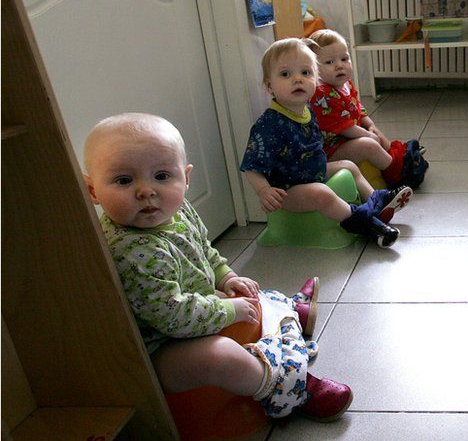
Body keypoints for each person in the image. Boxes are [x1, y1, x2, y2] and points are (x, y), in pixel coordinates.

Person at [84, 113, 351, 421]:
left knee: (247, 290)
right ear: (92, 191)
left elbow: (203, 249)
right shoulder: (134, 251)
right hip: (161, 348)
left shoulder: (177, 209)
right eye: (124, 180)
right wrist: (229, 310)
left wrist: (226, 277)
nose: (146, 191)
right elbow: (173, 318)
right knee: (221, 356)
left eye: (161, 176)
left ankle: (286, 312)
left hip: (189, 310)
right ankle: (292, 388)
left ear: (185, 178)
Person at [241, 37, 411, 248]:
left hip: (313, 172)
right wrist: (264, 191)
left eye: (306, 73)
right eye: (285, 74)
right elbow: (251, 166)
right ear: (269, 87)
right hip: (288, 190)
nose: (297, 79)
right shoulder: (269, 125)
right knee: (323, 194)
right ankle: (365, 224)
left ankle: (376, 201)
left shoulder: (307, 111)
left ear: (316, 79)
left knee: (349, 166)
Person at [306, 29, 428, 189]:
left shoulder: (344, 84)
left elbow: (357, 108)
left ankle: (397, 156)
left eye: (344, 59)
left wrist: (370, 126)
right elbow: (344, 127)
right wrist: (368, 135)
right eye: (329, 62)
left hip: (345, 139)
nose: (339, 66)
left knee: (377, 134)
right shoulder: (321, 93)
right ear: (313, 68)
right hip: (329, 150)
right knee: (368, 145)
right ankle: (399, 173)